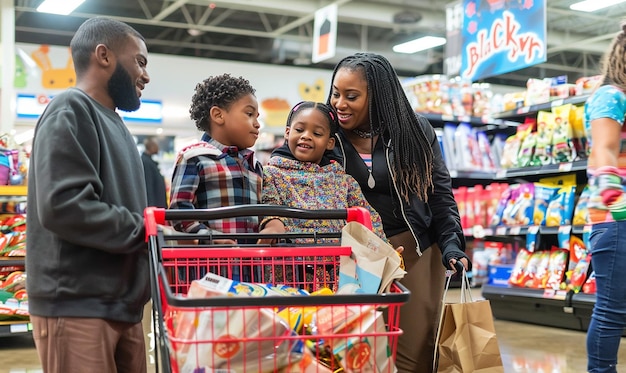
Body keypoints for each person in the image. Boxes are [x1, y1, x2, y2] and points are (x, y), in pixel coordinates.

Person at [325, 52, 471, 373]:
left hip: (413, 250)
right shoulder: (326, 132)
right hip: (351, 254)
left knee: (412, 355)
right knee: (354, 351)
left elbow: (439, 194)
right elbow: (288, 155)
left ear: (378, 97)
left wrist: (451, 244)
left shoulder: (414, 132)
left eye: (352, 96)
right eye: (336, 93)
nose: (340, 103)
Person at [25, 17, 151, 373]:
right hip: (76, 303)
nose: (145, 75)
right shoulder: (71, 108)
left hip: (121, 303)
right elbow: (64, 207)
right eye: (140, 61)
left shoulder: (118, 126)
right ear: (103, 55)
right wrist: (148, 229)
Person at [259, 100, 386, 242]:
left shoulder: (343, 181)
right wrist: (272, 226)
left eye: (317, 133)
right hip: (289, 261)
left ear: (329, 143)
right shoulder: (271, 174)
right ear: (287, 133)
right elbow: (270, 207)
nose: (306, 136)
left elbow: (369, 219)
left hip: (338, 261)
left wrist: (385, 251)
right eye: (299, 130)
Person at [169, 73, 262, 245]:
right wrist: (210, 238)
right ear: (218, 115)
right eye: (249, 114)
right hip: (210, 265)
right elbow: (179, 213)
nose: (257, 124)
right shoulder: (194, 157)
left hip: (252, 267)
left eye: (257, 117)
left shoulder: (254, 165)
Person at [584, 23, 626, 373]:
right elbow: (605, 150)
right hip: (615, 218)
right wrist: (616, 197)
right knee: (612, 310)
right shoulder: (611, 96)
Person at [141, 136, 167, 208]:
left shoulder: (149, 162)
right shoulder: (146, 162)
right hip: (154, 208)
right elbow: (148, 186)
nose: (158, 147)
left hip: (156, 207)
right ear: (152, 146)